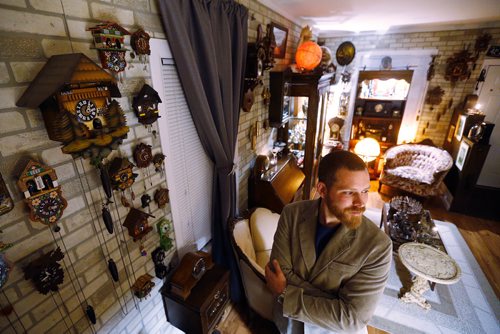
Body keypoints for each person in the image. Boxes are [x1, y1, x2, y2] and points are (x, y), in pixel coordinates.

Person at [265, 150, 392, 334]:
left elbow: (353, 319)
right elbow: (279, 271)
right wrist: (335, 301)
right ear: (322, 190)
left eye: (365, 191)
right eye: (349, 192)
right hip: (286, 323)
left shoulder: (378, 247)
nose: (361, 203)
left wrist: (285, 292)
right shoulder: (292, 214)